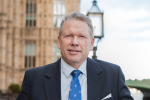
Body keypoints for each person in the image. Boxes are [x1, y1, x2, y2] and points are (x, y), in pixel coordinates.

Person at [16, 12, 133, 100]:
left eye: (82, 36)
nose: (75, 42)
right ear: (58, 41)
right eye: (68, 36)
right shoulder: (33, 79)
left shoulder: (113, 74)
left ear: (92, 43)